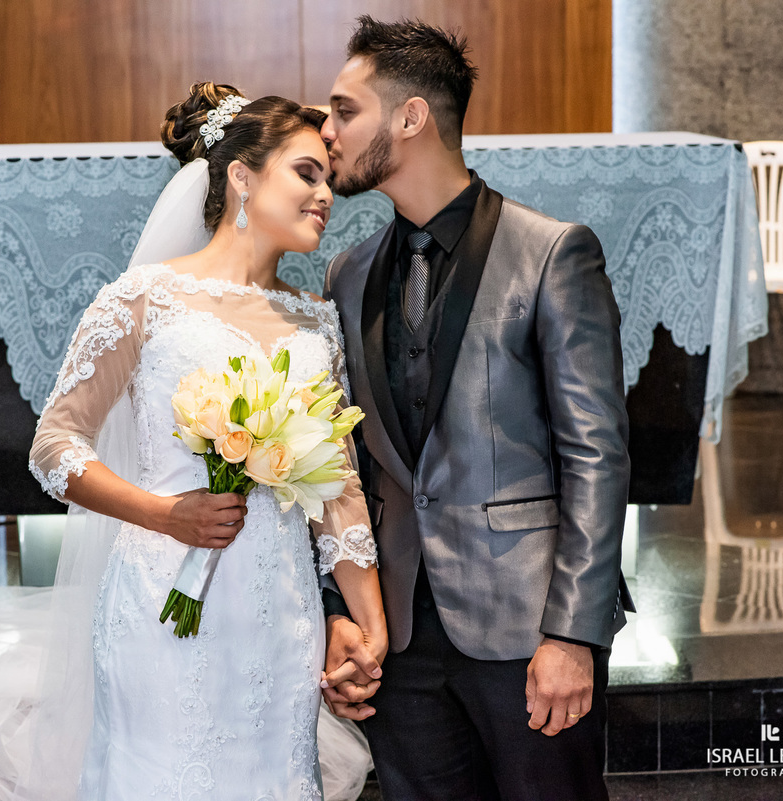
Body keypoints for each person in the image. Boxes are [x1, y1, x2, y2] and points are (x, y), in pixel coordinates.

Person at [0, 83, 386, 801]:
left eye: (327, 179)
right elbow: (54, 446)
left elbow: (337, 485)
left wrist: (365, 625)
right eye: (306, 173)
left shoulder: (315, 320)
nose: (325, 195)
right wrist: (164, 512)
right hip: (162, 604)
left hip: (281, 617)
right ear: (243, 177)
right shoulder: (145, 299)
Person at [315, 17, 635, 801]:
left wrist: (573, 632)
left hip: (527, 624)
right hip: (401, 633)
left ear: (411, 117)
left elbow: (596, 455)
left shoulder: (553, 253)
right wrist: (341, 610)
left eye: (344, 110)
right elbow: (343, 466)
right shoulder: (348, 276)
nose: (327, 132)